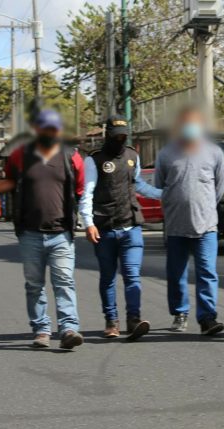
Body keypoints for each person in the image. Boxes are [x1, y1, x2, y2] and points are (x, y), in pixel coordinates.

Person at [0, 109, 85, 350]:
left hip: (61, 233)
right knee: (34, 284)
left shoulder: (71, 157)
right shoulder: (20, 155)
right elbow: (7, 181)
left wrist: (83, 220)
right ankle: (41, 329)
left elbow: (80, 190)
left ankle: (68, 328)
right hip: (30, 233)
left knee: (64, 282)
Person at [78, 115, 161, 340]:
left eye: (124, 136)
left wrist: (162, 194)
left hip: (131, 225)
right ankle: (111, 321)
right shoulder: (94, 160)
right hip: (104, 228)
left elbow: (138, 184)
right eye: (117, 137)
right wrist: (89, 223)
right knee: (108, 277)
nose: (120, 140)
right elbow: (88, 193)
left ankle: (134, 319)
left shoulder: (132, 155)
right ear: (108, 135)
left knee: (132, 276)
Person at [154, 107, 224, 335]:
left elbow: (220, 187)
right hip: (176, 226)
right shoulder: (166, 154)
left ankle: (207, 318)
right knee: (176, 273)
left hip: (206, 226)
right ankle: (179, 313)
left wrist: (203, 208)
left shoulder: (214, 152)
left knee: (207, 273)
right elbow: (160, 186)